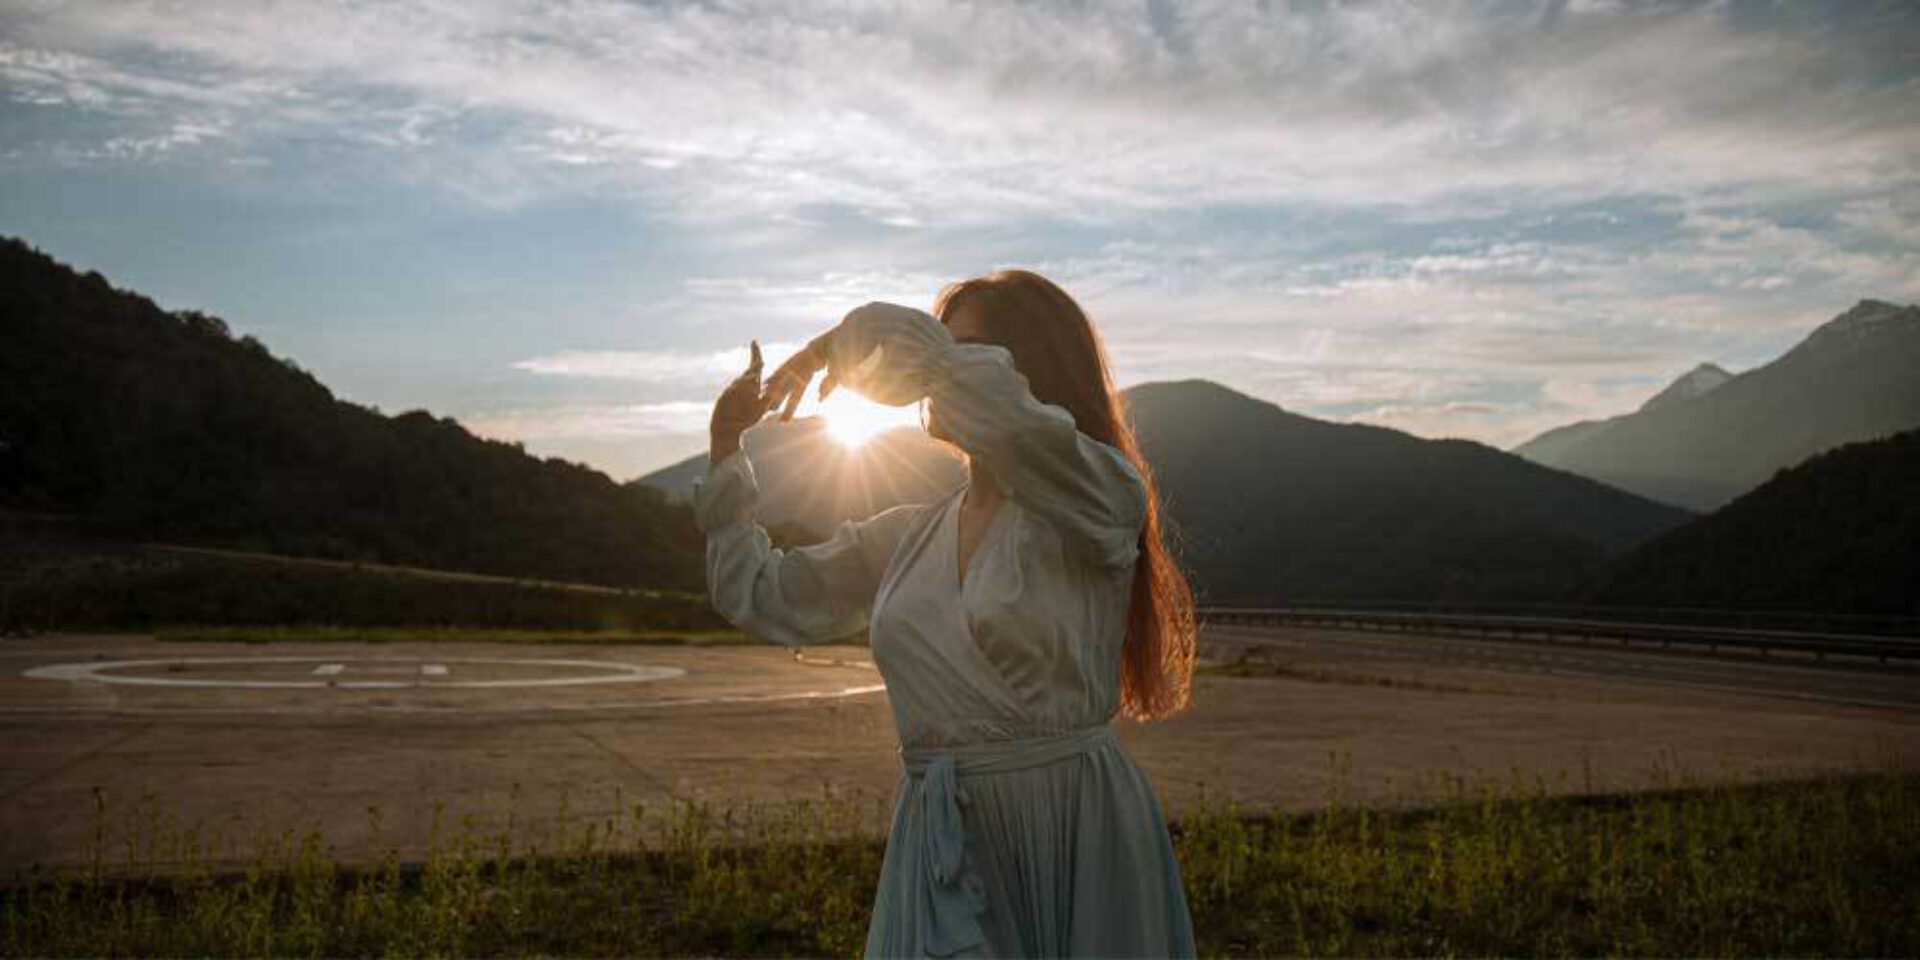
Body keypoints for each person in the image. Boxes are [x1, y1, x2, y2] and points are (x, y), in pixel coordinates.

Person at [694, 269, 1199, 958]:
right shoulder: (909, 535)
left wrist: (837, 345)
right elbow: (760, 594)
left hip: (1072, 833)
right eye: (941, 349)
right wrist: (727, 451)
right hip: (940, 843)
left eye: (969, 352)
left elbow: (1012, 424)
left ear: (1029, 370)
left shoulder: (1098, 496)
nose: (936, 375)